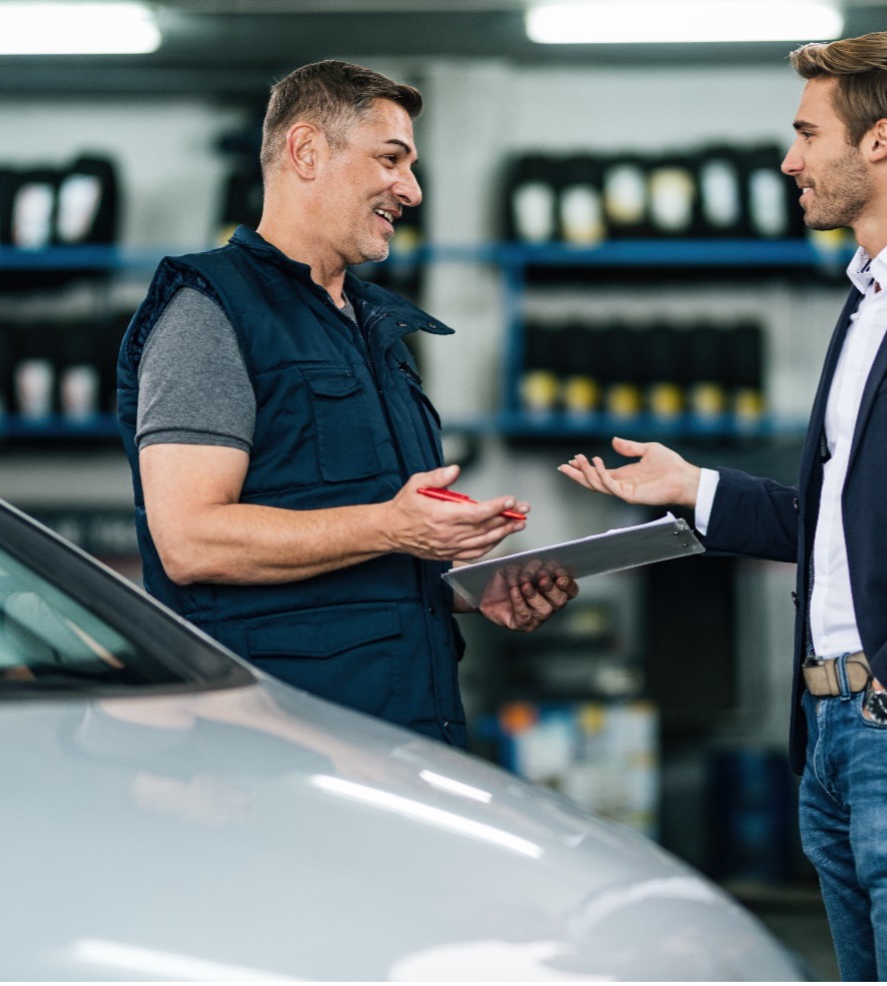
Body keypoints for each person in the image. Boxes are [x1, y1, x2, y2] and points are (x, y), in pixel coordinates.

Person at [559, 31, 887, 980]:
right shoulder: (865, 295)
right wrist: (694, 488)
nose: (790, 160)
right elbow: (848, 521)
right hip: (829, 734)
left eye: (808, 134)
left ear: (879, 142)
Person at [115, 60, 576, 749]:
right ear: (306, 151)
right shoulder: (210, 314)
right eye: (391, 159)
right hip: (277, 754)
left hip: (403, 735)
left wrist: (465, 589)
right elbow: (188, 541)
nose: (412, 190)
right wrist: (393, 528)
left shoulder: (374, 330)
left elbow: (359, 545)